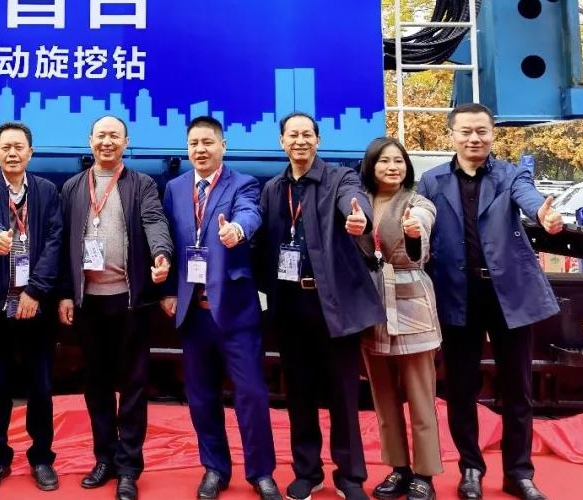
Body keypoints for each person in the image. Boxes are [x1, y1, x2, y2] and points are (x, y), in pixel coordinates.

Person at [418, 103, 563, 500]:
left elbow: (529, 199)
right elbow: (422, 223)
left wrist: (544, 216)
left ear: (492, 134)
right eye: (465, 131)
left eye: (481, 131)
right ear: (452, 135)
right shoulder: (431, 181)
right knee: (461, 388)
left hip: (508, 294)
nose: (474, 138)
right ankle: (470, 468)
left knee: (518, 388)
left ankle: (519, 473)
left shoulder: (511, 175)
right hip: (456, 294)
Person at [255, 111, 383, 500]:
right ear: (281, 142)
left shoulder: (341, 179)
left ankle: (350, 476)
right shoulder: (273, 188)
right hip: (290, 305)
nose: (300, 141)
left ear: (318, 139)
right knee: (299, 394)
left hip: (334, 306)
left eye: (306, 134)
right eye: (292, 135)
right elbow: (263, 243)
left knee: (343, 394)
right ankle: (307, 472)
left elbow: (355, 203)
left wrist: (359, 218)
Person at [160, 116, 281, 500]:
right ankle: (215, 468)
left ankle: (261, 472)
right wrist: (166, 289)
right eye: (194, 143)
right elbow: (168, 239)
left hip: (235, 311)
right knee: (201, 397)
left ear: (223, 146)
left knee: (252, 394)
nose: (200, 149)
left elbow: (251, 213)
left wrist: (237, 230)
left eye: (208, 142)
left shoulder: (243, 183)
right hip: (194, 314)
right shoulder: (175, 188)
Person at [57, 116, 173, 500]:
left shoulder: (143, 184)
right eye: (101, 135)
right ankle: (104, 457)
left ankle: (129, 467)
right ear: (90, 140)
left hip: (129, 301)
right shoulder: (73, 187)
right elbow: (62, 243)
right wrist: (65, 294)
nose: (107, 142)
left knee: (133, 386)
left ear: (126, 142)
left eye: (114, 136)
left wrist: (161, 253)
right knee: (97, 385)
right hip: (89, 301)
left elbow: (155, 222)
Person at [0, 122, 63, 492]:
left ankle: (41, 457)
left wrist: (35, 291)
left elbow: (55, 242)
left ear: (30, 152)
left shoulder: (47, 191)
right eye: (5, 147)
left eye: (19, 147)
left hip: (36, 305)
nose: (12, 153)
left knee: (41, 385)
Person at [355, 137, 441, 500]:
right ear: (371, 166)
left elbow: (423, 225)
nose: (392, 167)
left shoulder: (418, 203)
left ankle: (425, 473)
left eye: (398, 161)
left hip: (412, 303)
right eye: (384, 161)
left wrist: (414, 232)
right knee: (383, 396)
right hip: (372, 305)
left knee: (421, 396)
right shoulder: (358, 202)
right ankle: (398, 468)